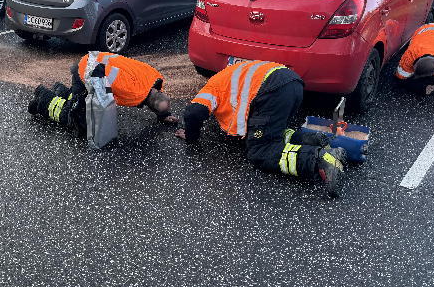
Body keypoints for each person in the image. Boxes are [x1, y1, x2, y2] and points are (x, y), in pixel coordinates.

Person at [175, 60, 347, 198]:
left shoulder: (211, 87)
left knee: (261, 151)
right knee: (274, 132)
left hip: (272, 91)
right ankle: (316, 140)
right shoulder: (230, 76)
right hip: (292, 83)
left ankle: (319, 159)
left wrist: (191, 136)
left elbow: (194, 112)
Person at [28, 51, 177, 136]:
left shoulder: (154, 78)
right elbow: (104, 89)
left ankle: (60, 90)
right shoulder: (132, 91)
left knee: (78, 102)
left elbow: (156, 99)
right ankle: (42, 99)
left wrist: (163, 115)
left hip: (94, 59)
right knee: (75, 118)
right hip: (86, 72)